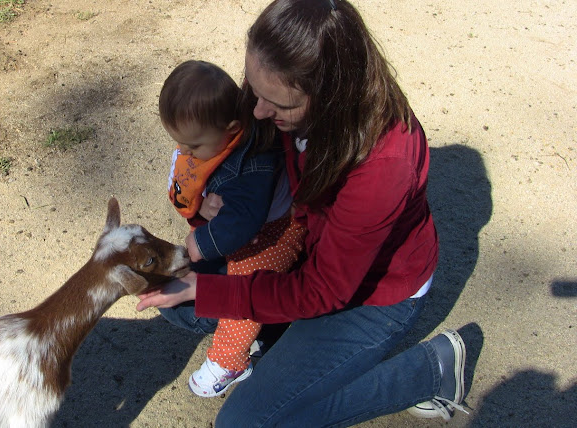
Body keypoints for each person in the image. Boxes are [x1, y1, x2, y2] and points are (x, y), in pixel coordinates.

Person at [137, 0, 470, 425]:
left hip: (367, 297)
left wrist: (209, 289)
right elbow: (227, 147)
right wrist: (204, 201)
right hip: (303, 249)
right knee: (177, 301)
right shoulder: (278, 91)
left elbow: (322, 291)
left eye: (275, 103)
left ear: (330, 96)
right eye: (253, 91)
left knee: (243, 422)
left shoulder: (383, 167)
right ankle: (281, 346)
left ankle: (428, 371)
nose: (256, 112)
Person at [159, 60, 306, 397]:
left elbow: (242, 223)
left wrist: (200, 241)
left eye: (192, 147)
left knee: (247, 280)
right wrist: (202, 205)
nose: (184, 152)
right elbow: (184, 180)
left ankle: (230, 360)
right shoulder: (210, 138)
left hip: (277, 231)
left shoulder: (250, 168)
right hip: (253, 224)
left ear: (231, 128)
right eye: (180, 143)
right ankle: (270, 326)